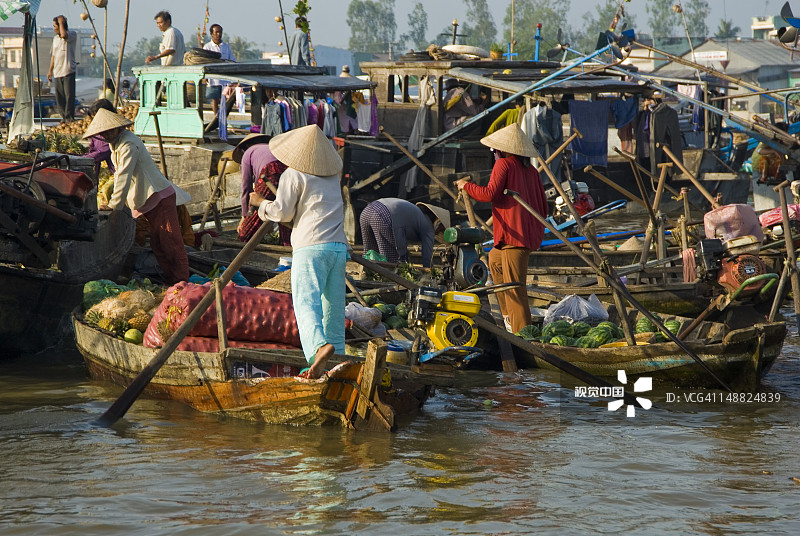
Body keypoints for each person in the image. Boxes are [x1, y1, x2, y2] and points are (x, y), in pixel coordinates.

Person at [249, 124, 349, 379]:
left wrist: (261, 205)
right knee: (333, 307)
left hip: (311, 246)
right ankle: (336, 359)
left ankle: (318, 349)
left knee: (306, 302)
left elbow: (283, 213)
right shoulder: (331, 178)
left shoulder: (293, 174)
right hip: (337, 248)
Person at [455, 124, 547, 333]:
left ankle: (523, 333)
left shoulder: (504, 165)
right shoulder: (531, 171)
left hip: (515, 237)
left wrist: (466, 186)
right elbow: (543, 208)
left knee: (515, 287)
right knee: (494, 262)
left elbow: (489, 194)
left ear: (504, 150)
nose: (494, 153)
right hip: (517, 237)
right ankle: (508, 318)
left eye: (495, 150)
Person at [85, 108, 190, 285]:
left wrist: (114, 205)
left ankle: (182, 283)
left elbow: (124, 176)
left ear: (119, 128)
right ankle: (172, 283)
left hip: (160, 197)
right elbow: (119, 175)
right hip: (150, 199)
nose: (107, 134)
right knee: (158, 244)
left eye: (110, 130)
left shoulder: (128, 145)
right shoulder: (117, 145)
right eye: (104, 132)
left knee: (170, 242)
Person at [359, 198, 449, 269]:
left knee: (369, 251)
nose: (439, 231)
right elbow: (427, 258)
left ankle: (366, 275)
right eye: (441, 228)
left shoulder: (418, 215)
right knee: (391, 260)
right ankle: (388, 285)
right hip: (383, 216)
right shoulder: (428, 227)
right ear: (438, 222)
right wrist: (430, 272)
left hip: (367, 211)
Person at [233, 133, 289, 244]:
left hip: (270, 173)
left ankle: (242, 243)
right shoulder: (273, 148)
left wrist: (245, 216)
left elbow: (246, 186)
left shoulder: (248, 153)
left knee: (252, 218)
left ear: (246, 146)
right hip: (288, 172)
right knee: (286, 212)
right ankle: (286, 245)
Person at [47, 15, 77, 123]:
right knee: (60, 97)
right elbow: (53, 56)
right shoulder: (55, 39)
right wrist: (50, 70)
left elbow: (64, 35)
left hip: (68, 70)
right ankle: (64, 117)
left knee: (69, 96)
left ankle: (69, 117)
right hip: (58, 72)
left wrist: (61, 22)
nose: (54, 28)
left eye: (56, 26)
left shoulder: (72, 35)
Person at [203, 24, 236, 115]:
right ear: (212, 34)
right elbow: (203, 63)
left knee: (224, 98)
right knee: (214, 98)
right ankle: (215, 118)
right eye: (216, 32)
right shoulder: (207, 47)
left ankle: (223, 116)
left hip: (224, 78)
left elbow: (232, 61)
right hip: (213, 78)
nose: (218, 34)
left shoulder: (226, 47)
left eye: (220, 32)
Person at [84, 99, 116, 181]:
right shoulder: (97, 132)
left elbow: (102, 152)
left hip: (118, 170)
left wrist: (81, 159)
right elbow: (92, 150)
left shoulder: (113, 131)